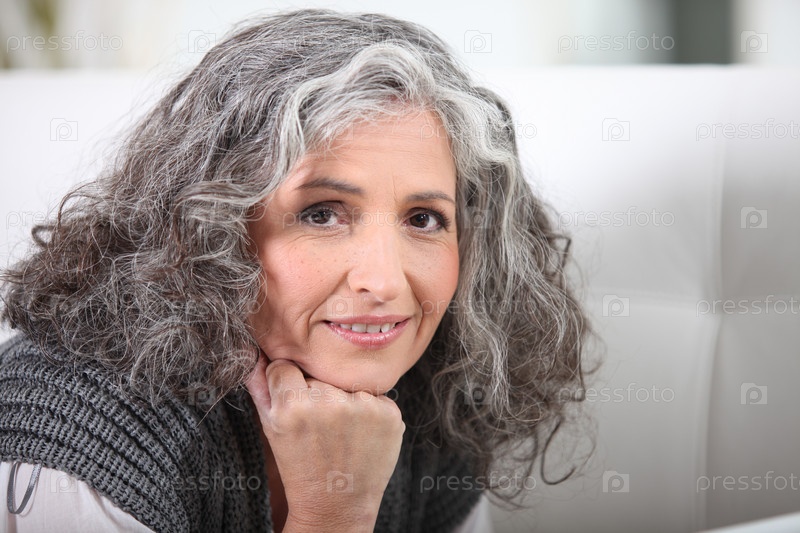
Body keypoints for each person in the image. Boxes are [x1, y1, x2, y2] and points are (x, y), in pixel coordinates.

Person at [0, 8, 591, 533]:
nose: (385, 283)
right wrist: (336, 512)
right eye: (321, 214)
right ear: (209, 229)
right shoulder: (82, 432)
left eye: (423, 219)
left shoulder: (435, 395)